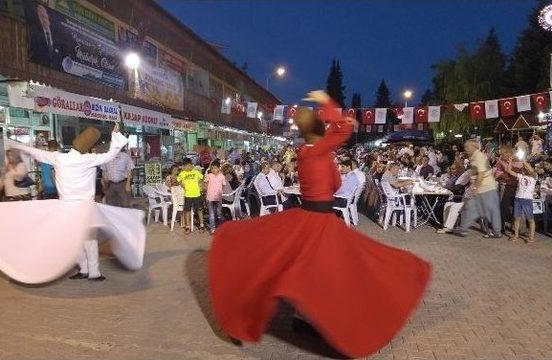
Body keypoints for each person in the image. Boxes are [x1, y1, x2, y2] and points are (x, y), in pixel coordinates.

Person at [208, 90, 431, 358]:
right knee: (331, 272)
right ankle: (312, 321)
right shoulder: (319, 152)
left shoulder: (305, 152)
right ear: (319, 128)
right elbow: (343, 132)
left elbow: (334, 155)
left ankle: (294, 318)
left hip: (306, 217)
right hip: (320, 222)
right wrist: (327, 102)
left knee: (287, 266)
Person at [0, 123, 146, 284]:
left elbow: (37, 153)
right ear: (89, 148)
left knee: (72, 239)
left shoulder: (59, 158)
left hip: (66, 207)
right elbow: (111, 154)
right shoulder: (88, 159)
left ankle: (83, 269)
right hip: (85, 206)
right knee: (88, 240)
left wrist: (17, 145)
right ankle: (93, 272)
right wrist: (116, 135)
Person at [452, 140, 502, 238]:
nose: (465, 149)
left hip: (486, 188)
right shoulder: (474, 156)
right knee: (471, 207)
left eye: (467, 147)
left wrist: (475, 188)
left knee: (491, 210)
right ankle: (463, 229)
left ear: (474, 146)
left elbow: (481, 173)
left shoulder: (478, 156)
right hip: (481, 187)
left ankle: (496, 232)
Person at [503, 159, 537, 243]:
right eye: (524, 168)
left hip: (527, 200)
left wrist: (524, 161)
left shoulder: (534, 177)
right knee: (517, 218)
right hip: (518, 199)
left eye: (526, 168)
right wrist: (510, 160)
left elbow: (532, 170)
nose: (524, 168)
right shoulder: (520, 176)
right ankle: (516, 235)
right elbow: (508, 170)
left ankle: (531, 238)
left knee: (530, 219)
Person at [177, 157, 205, 234]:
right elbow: (178, 180)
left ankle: (202, 225)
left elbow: (202, 178)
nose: (187, 167)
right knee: (187, 211)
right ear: (183, 167)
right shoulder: (182, 174)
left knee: (199, 210)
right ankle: (187, 227)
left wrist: (200, 184)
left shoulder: (196, 172)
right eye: (185, 166)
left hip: (197, 195)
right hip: (188, 196)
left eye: (189, 165)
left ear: (192, 165)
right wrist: (181, 184)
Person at [204, 162, 226, 234]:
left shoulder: (222, 176)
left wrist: (220, 192)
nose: (213, 170)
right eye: (212, 168)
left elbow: (223, 186)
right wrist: (206, 194)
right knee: (212, 213)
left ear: (219, 168)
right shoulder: (209, 175)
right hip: (210, 197)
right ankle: (213, 229)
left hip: (218, 198)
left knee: (218, 213)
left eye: (215, 168)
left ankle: (218, 228)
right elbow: (206, 185)